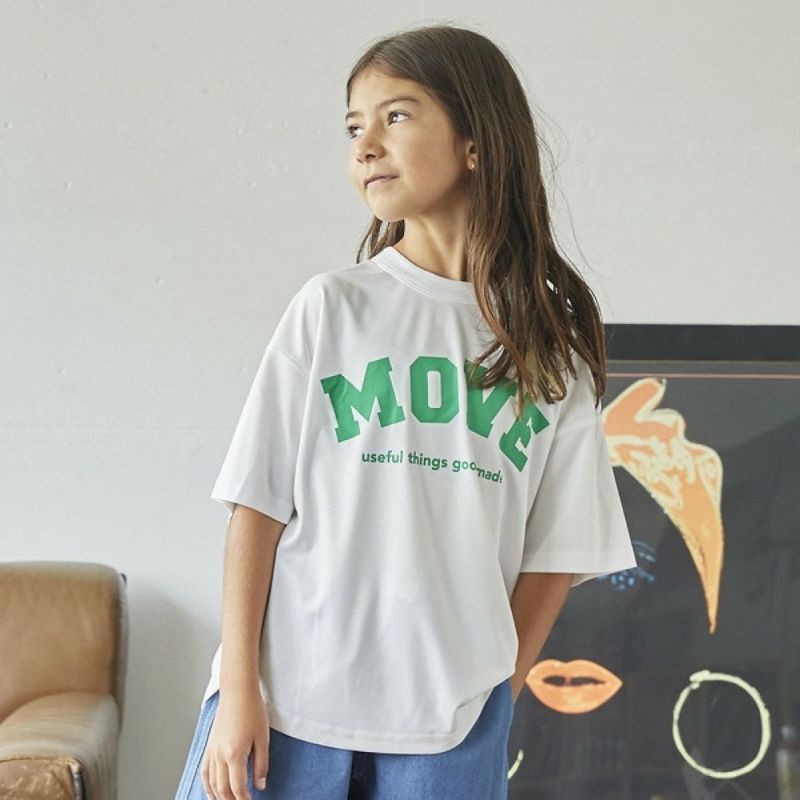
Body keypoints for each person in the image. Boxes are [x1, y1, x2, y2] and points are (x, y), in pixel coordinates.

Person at [174, 22, 638, 800]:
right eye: (353, 126)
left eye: (395, 115)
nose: (365, 145)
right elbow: (256, 508)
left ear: (475, 142)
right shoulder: (333, 308)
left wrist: (492, 694)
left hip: (449, 733)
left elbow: (557, 554)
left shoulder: (550, 351)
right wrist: (239, 689)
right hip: (284, 705)